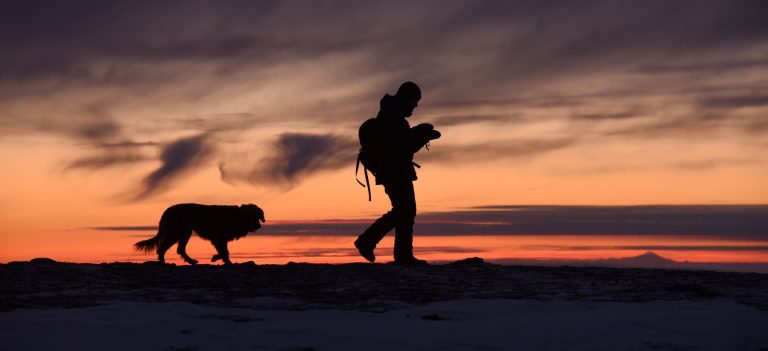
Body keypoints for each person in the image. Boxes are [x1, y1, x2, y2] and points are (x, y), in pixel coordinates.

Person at [354, 81, 441, 265]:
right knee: (405, 210)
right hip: (393, 170)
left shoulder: (392, 116)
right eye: (415, 101)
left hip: (394, 169)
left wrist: (420, 134)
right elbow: (401, 148)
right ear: (406, 98)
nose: (415, 105)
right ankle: (370, 242)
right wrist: (422, 135)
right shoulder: (391, 118)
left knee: (404, 211)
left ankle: (398, 253)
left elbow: (402, 145)